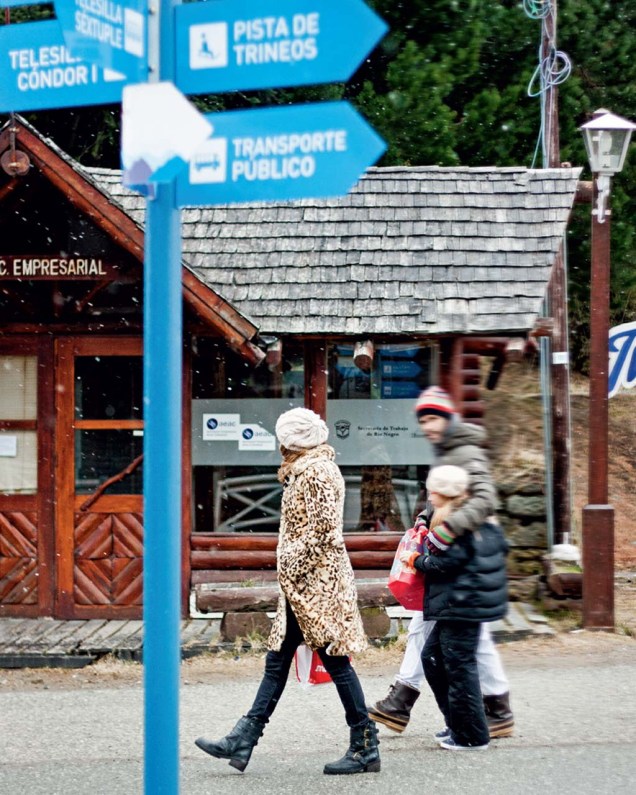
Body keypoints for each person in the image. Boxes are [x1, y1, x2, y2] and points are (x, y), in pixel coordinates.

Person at [194, 407, 381, 776]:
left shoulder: (315, 471)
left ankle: (365, 747)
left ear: (291, 441)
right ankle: (243, 738)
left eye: (282, 437)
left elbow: (325, 531)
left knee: (335, 660)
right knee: (278, 659)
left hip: (318, 586)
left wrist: (292, 563)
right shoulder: (304, 469)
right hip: (304, 586)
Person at [369, 386, 514, 738]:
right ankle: (493, 706)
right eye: (423, 419)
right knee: (448, 630)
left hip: (465, 554)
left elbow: (483, 499)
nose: (428, 425)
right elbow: (441, 495)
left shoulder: (464, 450)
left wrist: (445, 532)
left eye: (433, 417)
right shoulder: (449, 449)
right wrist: (424, 517)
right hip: (460, 553)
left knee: (445, 627)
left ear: (448, 418)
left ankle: (408, 700)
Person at [401, 463, 509, 751]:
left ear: (442, 493)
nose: (428, 496)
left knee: (459, 669)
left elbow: (447, 564)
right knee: (433, 659)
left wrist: (415, 561)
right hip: (460, 603)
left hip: (463, 605)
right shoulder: (457, 515)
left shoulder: (458, 523)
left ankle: (472, 736)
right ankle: (458, 725)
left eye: (432, 491)